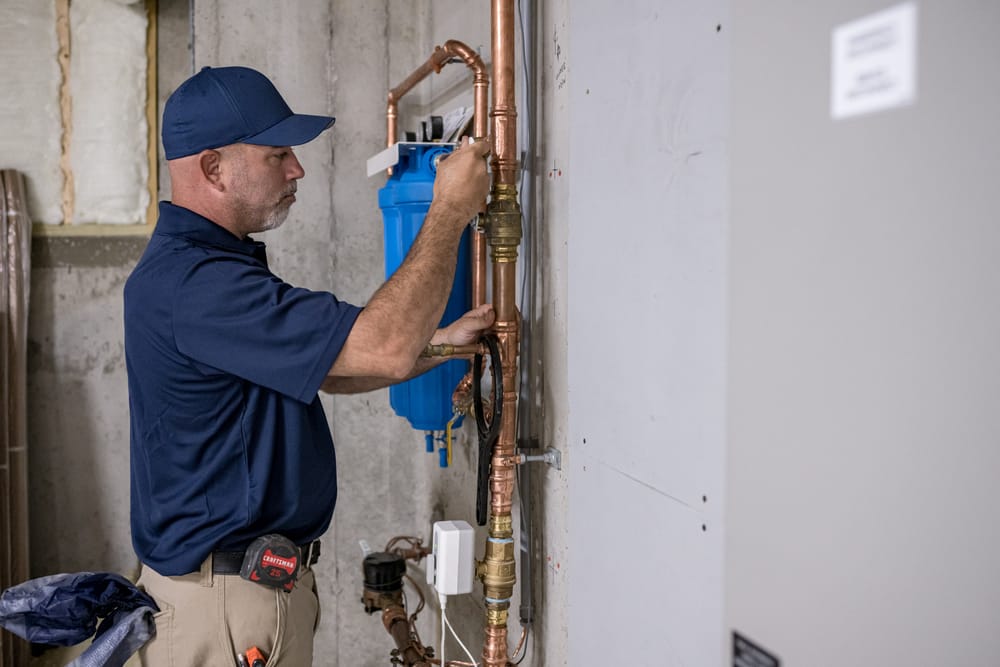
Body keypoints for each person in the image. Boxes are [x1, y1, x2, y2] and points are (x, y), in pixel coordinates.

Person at [124, 65, 492, 666]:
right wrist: (449, 210)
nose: (297, 168)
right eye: (276, 154)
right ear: (213, 168)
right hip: (226, 608)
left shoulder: (205, 270)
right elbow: (384, 345)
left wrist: (443, 344)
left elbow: (330, 368)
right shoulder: (198, 286)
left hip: (239, 592)